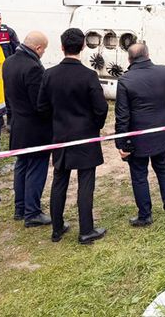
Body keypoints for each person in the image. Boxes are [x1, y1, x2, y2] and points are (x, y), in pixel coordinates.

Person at [37, 28, 108, 245]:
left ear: (62, 47)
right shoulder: (88, 76)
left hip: (62, 135)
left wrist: (57, 122)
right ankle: (85, 230)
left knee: (60, 180)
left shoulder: (49, 74)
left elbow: (42, 106)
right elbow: (101, 108)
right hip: (84, 135)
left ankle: (57, 228)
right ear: (83, 46)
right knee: (85, 182)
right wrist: (94, 126)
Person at [115, 43, 165, 226]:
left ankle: (145, 215)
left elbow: (122, 116)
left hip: (138, 138)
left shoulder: (125, 80)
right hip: (160, 133)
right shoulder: (164, 72)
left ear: (129, 59)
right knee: (163, 168)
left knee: (139, 175)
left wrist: (122, 143)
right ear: (148, 54)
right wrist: (162, 118)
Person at [2, 31, 53, 227]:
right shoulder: (33, 67)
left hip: (17, 123)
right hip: (35, 127)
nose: (43, 53)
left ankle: (20, 207)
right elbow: (39, 103)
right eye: (44, 50)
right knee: (36, 168)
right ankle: (32, 212)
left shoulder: (9, 62)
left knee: (21, 166)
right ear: (38, 48)